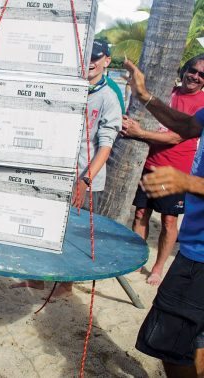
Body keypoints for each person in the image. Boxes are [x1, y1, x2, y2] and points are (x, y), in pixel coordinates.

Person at [11, 39, 122, 297]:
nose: (91, 62)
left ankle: (66, 285)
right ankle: (36, 278)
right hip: (56, 172)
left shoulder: (108, 98)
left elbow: (105, 146)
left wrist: (84, 181)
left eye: (97, 57)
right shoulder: (70, 87)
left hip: (86, 177)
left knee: (73, 233)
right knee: (43, 226)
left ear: (107, 60)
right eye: (87, 56)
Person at [124, 57, 204, 378]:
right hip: (194, 249)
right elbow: (186, 127)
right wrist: (144, 95)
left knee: (168, 346)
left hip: (200, 258)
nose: (197, 77)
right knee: (195, 339)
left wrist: (187, 182)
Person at [121, 54, 204, 286]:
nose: (195, 77)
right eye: (193, 71)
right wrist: (141, 94)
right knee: (140, 213)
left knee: (168, 221)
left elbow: (178, 135)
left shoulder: (202, 103)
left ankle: (157, 268)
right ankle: (136, 259)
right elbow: (168, 120)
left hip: (178, 172)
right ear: (185, 70)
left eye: (201, 75)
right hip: (151, 163)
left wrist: (140, 134)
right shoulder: (169, 91)